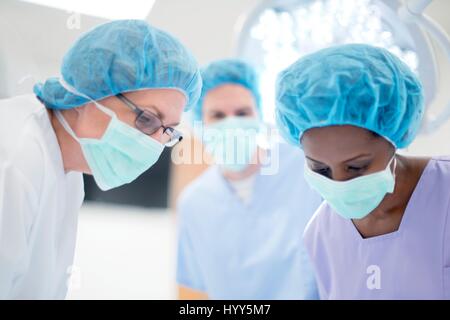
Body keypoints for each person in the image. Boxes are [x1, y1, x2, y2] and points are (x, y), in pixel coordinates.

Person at [0, 19, 201, 299]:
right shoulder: (14, 157)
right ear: (89, 94)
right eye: (146, 119)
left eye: (167, 131)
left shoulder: (67, 167)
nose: (154, 143)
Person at [275, 43, 450, 299]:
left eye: (356, 167)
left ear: (394, 138)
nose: (340, 183)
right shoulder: (321, 235)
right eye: (320, 169)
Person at [176, 59, 322, 300]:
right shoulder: (194, 203)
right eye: (218, 115)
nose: (231, 123)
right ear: (200, 126)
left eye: (242, 113)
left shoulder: (306, 168)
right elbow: (192, 292)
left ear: (259, 116)